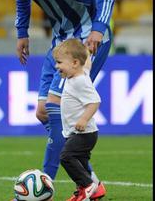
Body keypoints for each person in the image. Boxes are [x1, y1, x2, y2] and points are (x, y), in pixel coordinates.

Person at [0, 0, 115, 199]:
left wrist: (99, 28)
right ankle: (90, 182)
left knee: (56, 106)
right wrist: (22, 32)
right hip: (60, 41)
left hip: (85, 40)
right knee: (44, 111)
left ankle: (50, 187)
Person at [53, 38, 102, 201]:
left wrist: (83, 119)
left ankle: (87, 186)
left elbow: (95, 101)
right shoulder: (80, 73)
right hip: (79, 133)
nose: (56, 66)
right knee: (80, 162)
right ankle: (93, 191)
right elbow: (86, 64)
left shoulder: (79, 81)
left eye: (59, 62)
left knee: (66, 157)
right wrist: (86, 51)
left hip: (83, 133)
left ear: (74, 63)